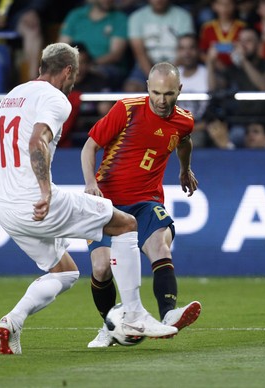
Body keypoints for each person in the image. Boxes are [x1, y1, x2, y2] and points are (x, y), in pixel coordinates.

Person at [0, 42, 177, 355]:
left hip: (8, 209)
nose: (74, 83)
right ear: (68, 70)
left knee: (65, 272)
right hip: (39, 202)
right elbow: (36, 142)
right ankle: (135, 315)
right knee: (126, 224)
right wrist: (44, 191)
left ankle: (12, 322)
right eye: (75, 75)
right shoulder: (56, 99)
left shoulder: (13, 96)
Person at [81, 62, 202, 348]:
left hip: (146, 201)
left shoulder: (185, 120)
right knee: (101, 269)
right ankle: (110, 326)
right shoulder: (127, 109)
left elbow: (184, 142)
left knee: (161, 245)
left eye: (169, 94)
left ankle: (168, 314)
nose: (162, 100)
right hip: (107, 201)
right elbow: (90, 146)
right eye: (157, 93)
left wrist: (184, 169)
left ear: (179, 91)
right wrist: (90, 183)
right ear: (148, 88)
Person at [207, 26, 265, 147]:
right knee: (230, 140)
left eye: (248, 41)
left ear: (259, 44)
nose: (243, 45)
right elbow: (214, 88)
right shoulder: (232, 69)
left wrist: (243, 61)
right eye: (241, 41)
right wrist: (210, 63)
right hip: (241, 126)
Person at [123, 0, 194, 92]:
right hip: (144, 66)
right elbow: (139, 53)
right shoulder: (136, 17)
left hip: (178, 65)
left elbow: (186, 49)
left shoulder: (183, 17)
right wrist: (154, 79)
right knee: (131, 89)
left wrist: (167, 74)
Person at [58, 0, 128, 90]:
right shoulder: (76, 15)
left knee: (97, 74)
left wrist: (87, 65)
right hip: (76, 63)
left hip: (105, 66)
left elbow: (116, 54)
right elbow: (62, 47)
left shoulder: (119, 18)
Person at [60, 42, 113, 148]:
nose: (78, 68)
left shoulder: (99, 80)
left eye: (83, 62)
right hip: (65, 133)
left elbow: (107, 108)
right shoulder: (59, 83)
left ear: (89, 64)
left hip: (93, 131)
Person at [176, 33, 211, 148]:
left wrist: (210, 63)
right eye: (182, 48)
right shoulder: (173, 75)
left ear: (198, 51)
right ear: (178, 52)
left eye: (191, 48)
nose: (187, 53)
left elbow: (213, 113)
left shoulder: (207, 74)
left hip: (199, 129)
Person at [198, 0, 246, 70]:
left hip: (239, 68)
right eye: (221, 4)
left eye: (229, 4)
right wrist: (213, 62)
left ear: (235, 6)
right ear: (214, 6)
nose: (225, 8)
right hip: (215, 70)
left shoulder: (242, 27)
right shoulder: (207, 28)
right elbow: (201, 53)